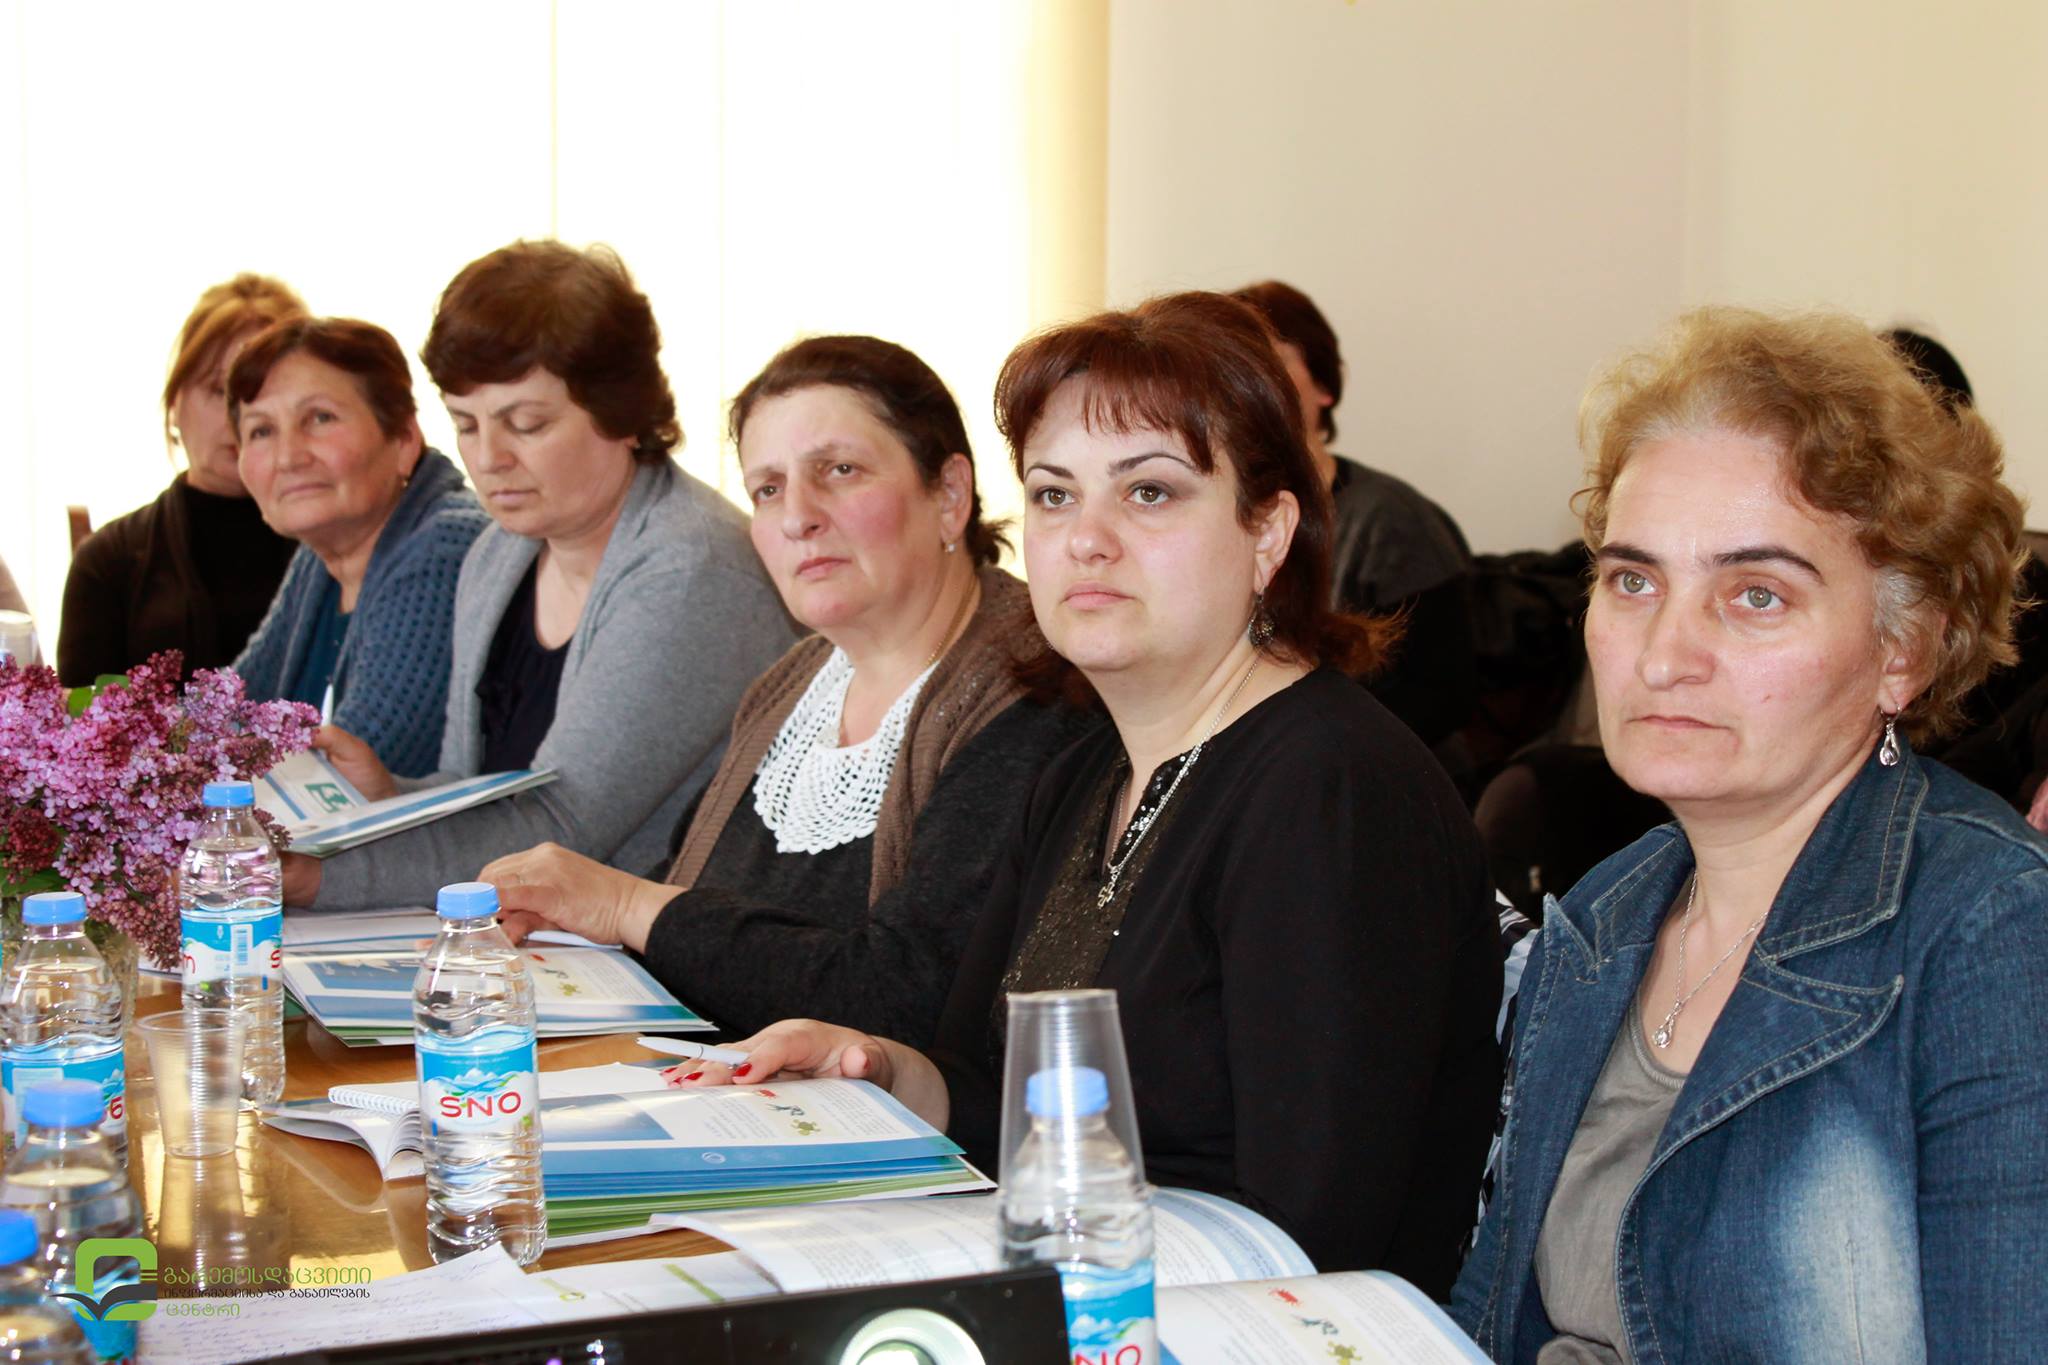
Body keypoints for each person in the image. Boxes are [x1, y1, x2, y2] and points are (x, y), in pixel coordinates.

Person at [674, 293, 1503, 1291]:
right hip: (1079, 1278)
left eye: (1148, 492)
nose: (1086, 539)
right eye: (1054, 494)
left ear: (1268, 533)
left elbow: (1315, 1232)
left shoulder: (1333, 789)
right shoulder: (1083, 770)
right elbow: (996, 1098)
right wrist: (882, 1069)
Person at [1449, 308, 2048, 1360]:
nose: (1662, 653)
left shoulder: (1992, 933)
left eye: (1755, 595)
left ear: (1903, 650)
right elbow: (1492, 1314)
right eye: (1633, 580)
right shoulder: (1602, 915)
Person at [479, 336, 1096, 1048]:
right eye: (767, 489)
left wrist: (624, 905)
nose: (798, 515)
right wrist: (572, 918)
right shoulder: (793, 685)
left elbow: (905, 999)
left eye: (839, 470)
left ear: (949, 495)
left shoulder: (1036, 692)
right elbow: (689, 895)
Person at [287, 241, 793, 910]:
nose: (488, 458)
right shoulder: (497, 553)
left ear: (621, 414)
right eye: (465, 424)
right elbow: (478, 790)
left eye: (525, 424)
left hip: (657, 957)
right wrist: (392, 794)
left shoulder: (692, 568)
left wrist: (314, 876)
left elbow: (563, 827)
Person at [230, 318, 485, 776]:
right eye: (261, 431)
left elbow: (349, 779)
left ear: (404, 439)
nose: (288, 457)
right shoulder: (321, 559)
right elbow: (222, 717)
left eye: (320, 418)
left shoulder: (445, 547)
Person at [1232, 280, 1477, 752]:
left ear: (1324, 385)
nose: (1250, 386)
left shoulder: (1390, 521)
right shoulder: (1205, 520)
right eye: (1235, 368)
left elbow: (1443, 695)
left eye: (1271, 363)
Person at [58, 275, 307, 684]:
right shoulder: (108, 562)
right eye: (219, 391)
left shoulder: (339, 548)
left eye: (261, 395)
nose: (241, 418)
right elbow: (83, 718)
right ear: (175, 401)